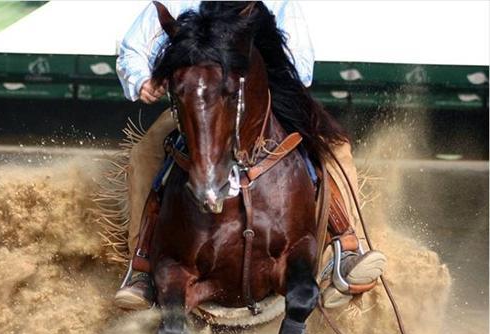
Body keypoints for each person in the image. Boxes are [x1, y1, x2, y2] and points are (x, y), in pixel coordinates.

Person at [114, 0, 386, 311]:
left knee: (335, 148)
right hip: (201, 106)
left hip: (264, 102)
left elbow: (300, 66)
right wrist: (142, 80)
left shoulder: (279, 2)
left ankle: (343, 251)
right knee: (145, 153)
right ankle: (142, 266)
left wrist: (256, 74)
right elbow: (133, 49)